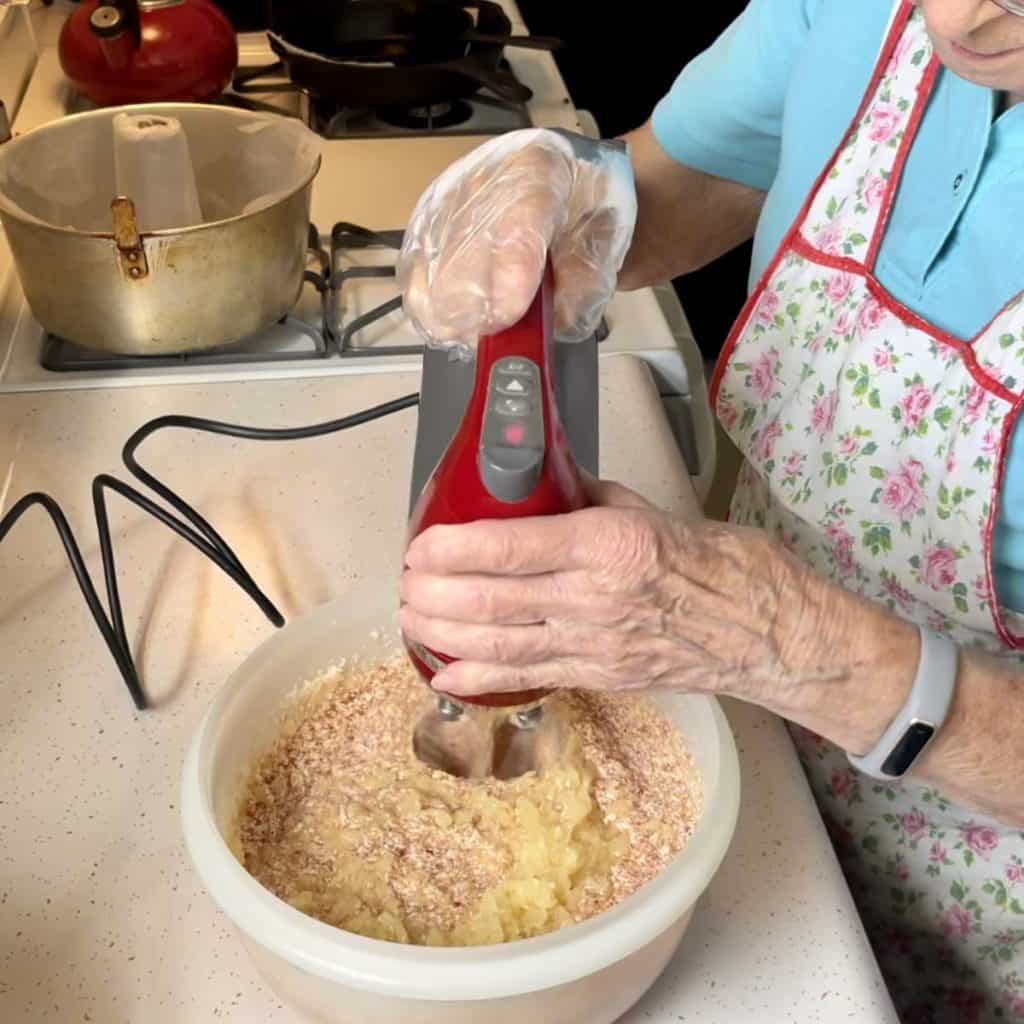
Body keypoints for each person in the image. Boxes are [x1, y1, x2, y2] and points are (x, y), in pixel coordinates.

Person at [395, 2, 1024, 1020]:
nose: (955, 15)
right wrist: (561, 206)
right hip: (760, 750)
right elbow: (703, 176)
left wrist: (799, 644)